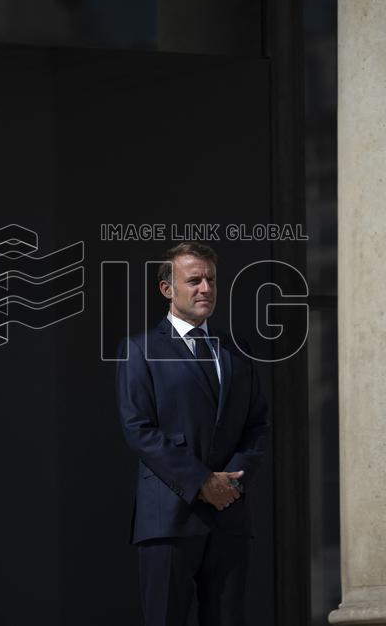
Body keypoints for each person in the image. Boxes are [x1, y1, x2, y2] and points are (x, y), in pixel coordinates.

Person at [116, 242, 269, 626]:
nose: (206, 288)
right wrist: (201, 481)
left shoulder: (238, 350)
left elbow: (257, 425)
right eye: (194, 280)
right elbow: (139, 430)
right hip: (168, 517)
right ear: (167, 289)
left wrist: (232, 481)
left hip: (229, 516)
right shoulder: (140, 350)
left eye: (211, 280)